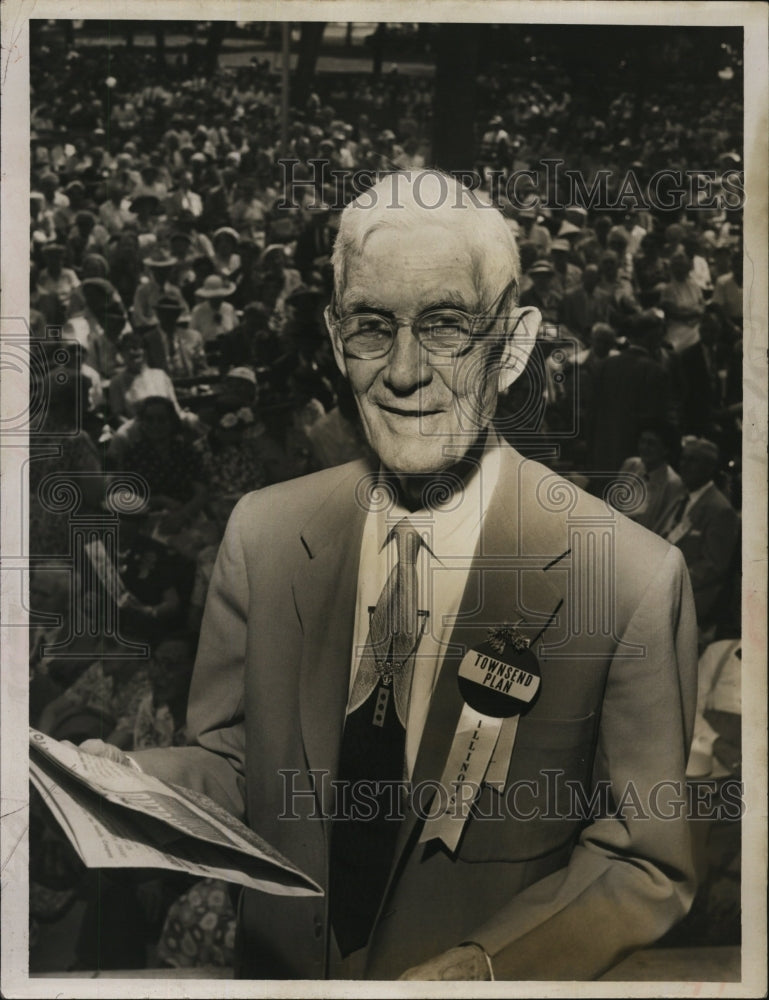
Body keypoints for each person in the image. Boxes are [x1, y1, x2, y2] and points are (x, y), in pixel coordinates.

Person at [82, 171, 697, 982]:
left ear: (511, 347)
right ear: (337, 342)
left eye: (445, 327)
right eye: (373, 328)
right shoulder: (262, 535)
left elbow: (644, 859)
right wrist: (119, 786)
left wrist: (483, 967)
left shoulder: (626, 580)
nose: (403, 372)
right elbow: (244, 765)